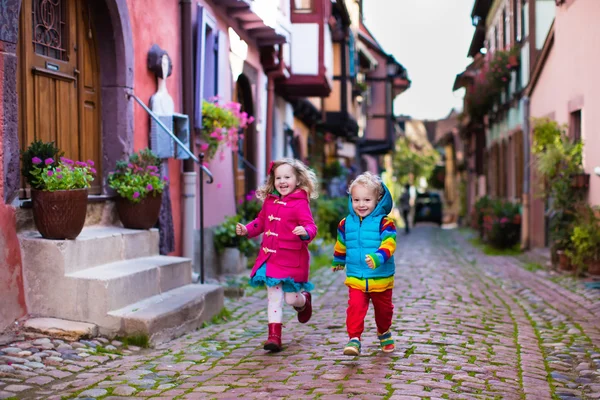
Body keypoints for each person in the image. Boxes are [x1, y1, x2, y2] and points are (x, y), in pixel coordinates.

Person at [236, 158, 318, 352]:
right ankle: (274, 336)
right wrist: (247, 230)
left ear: (297, 180)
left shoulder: (300, 203)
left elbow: (311, 226)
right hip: (270, 258)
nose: (282, 181)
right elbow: (261, 221)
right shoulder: (270, 202)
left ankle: (304, 301)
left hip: (291, 260)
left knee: (290, 299)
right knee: (274, 296)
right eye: (278, 177)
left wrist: (304, 231)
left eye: (287, 177)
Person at [332, 172, 397, 356]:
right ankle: (354, 338)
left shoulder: (385, 223)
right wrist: (339, 259)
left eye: (367, 200)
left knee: (383, 310)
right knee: (355, 307)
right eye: (356, 200)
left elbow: (389, 244)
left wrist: (378, 257)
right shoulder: (346, 223)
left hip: (380, 277)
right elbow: (342, 243)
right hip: (356, 276)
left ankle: (383, 331)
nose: (361, 204)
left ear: (377, 200)